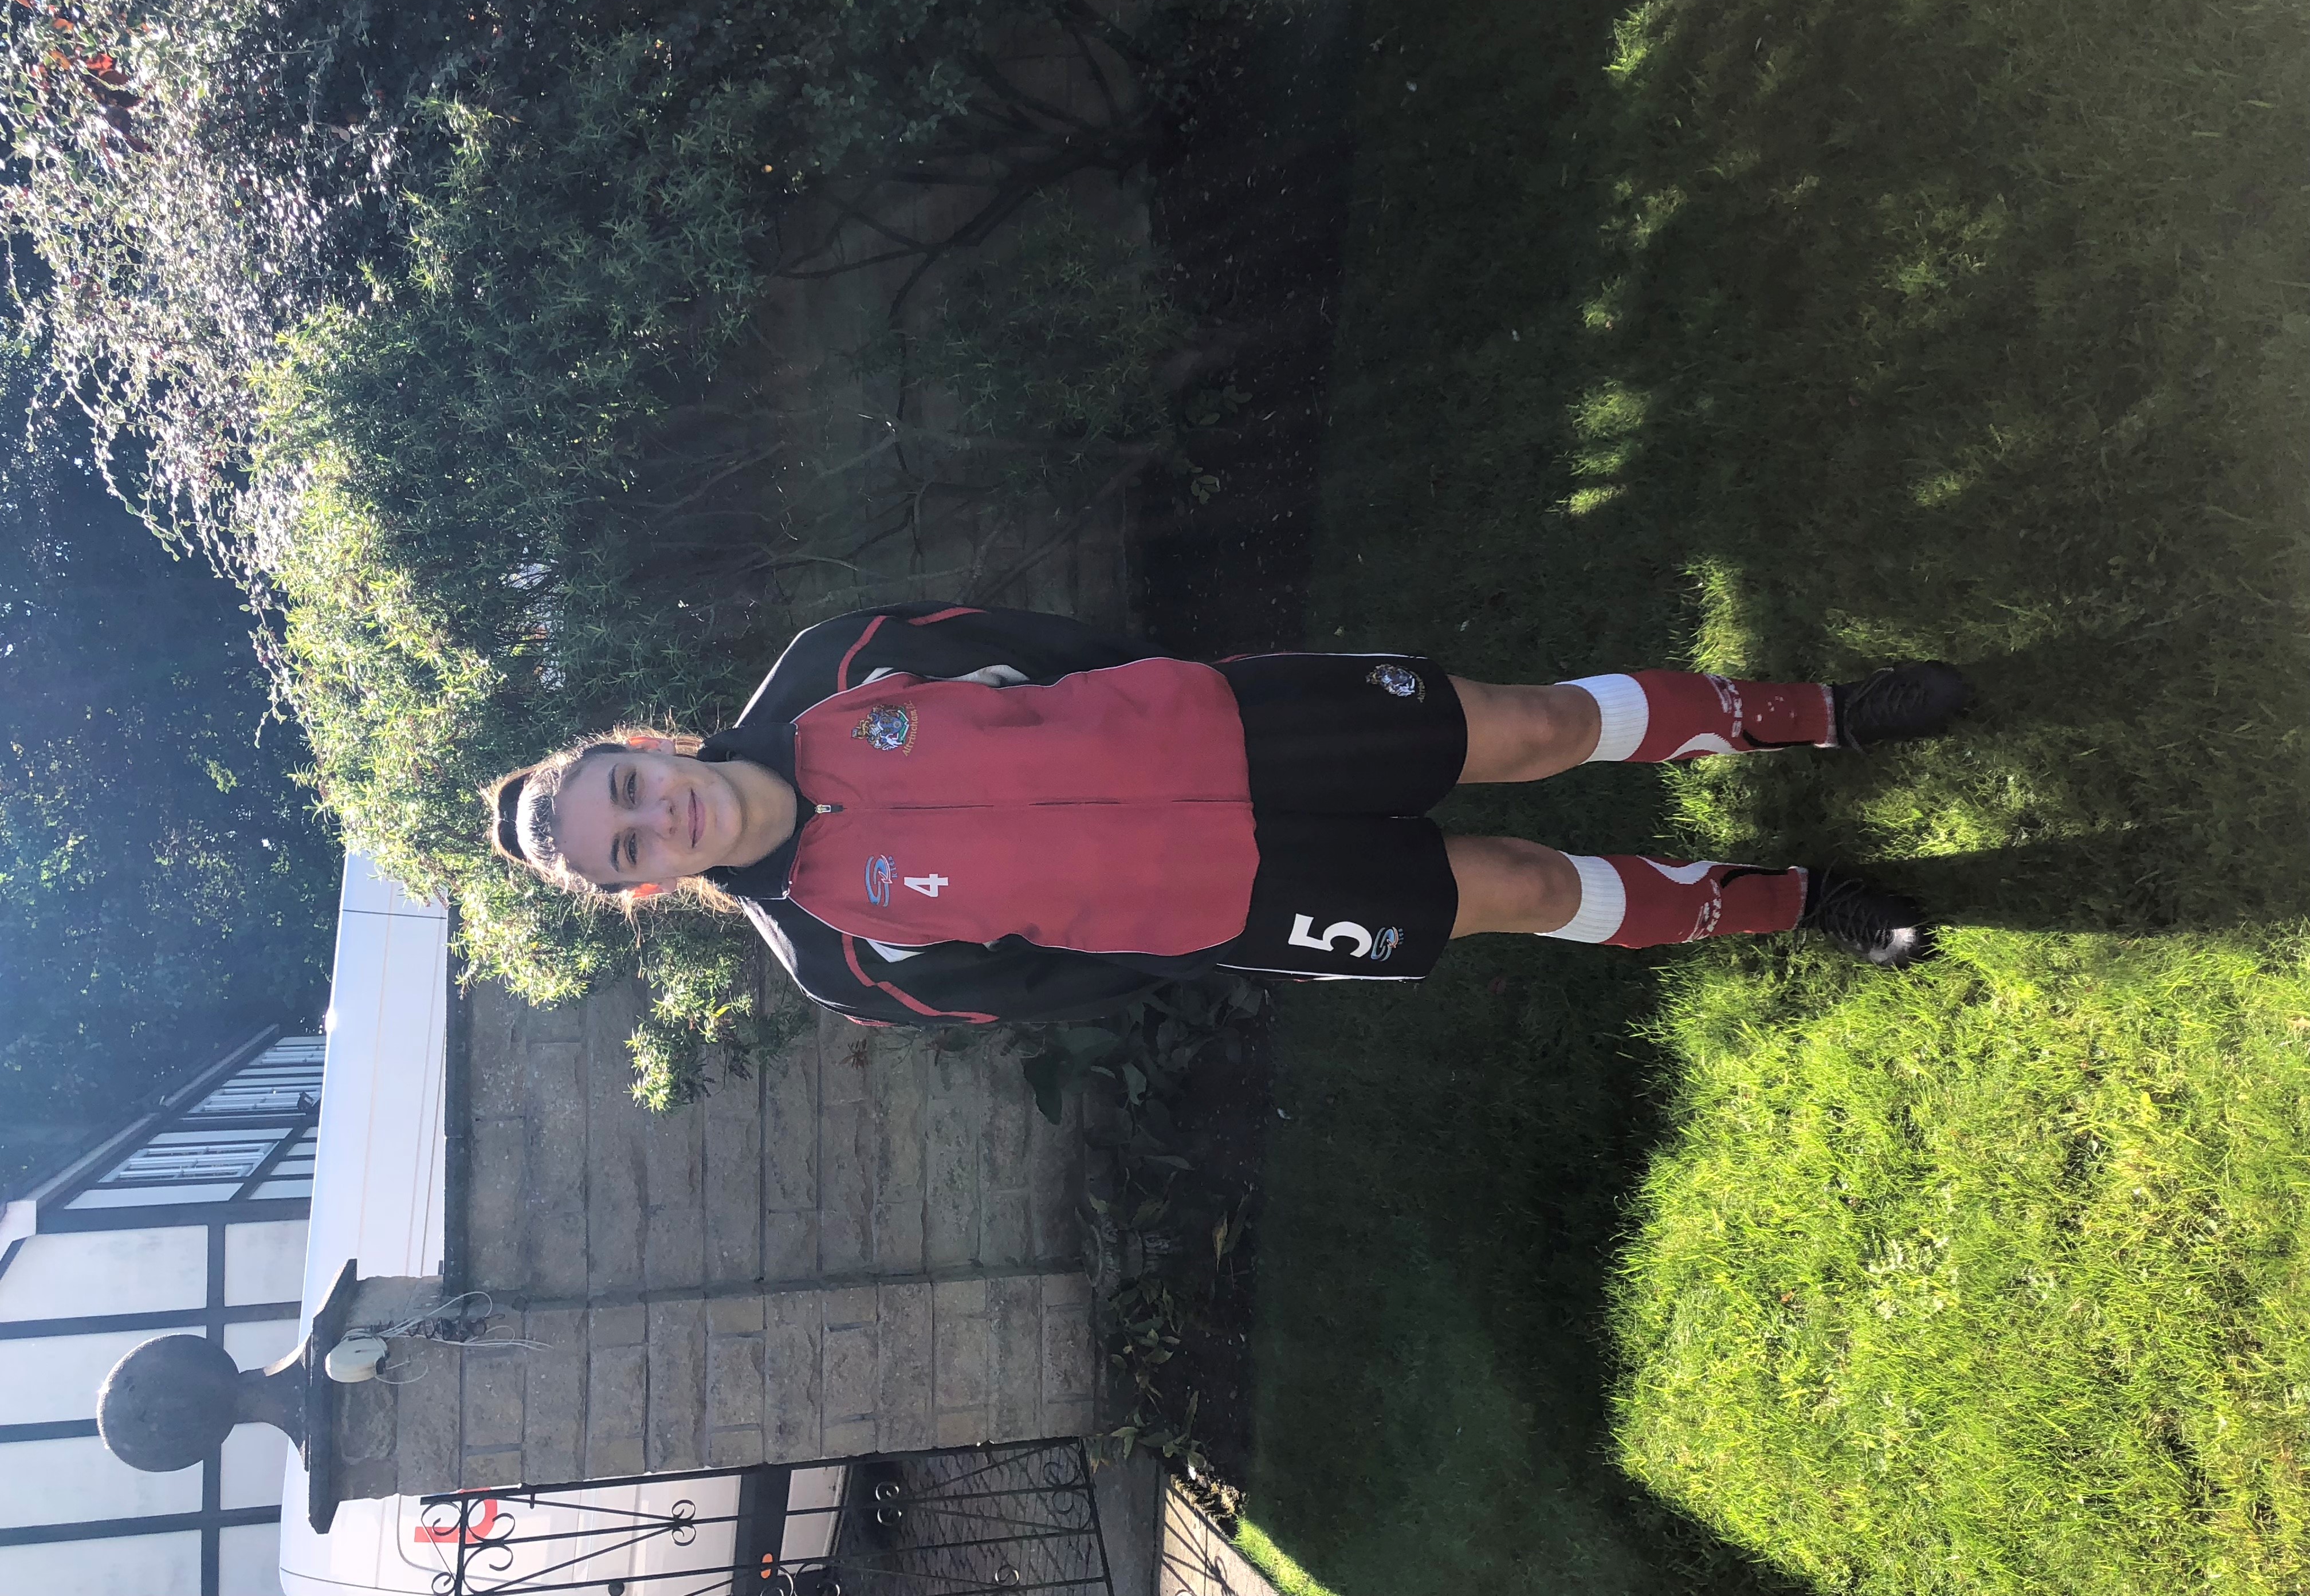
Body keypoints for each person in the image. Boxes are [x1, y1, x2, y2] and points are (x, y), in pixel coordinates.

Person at [484, 602, 1971, 1026]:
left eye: (628, 789)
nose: (658, 818)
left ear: (640, 746)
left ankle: (1824, 713)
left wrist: (1165, 685)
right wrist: (1189, 936)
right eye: (631, 849)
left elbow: (1040, 645)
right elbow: (1047, 985)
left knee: (1531, 726)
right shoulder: (837, 957)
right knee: (1518, 885)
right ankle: (1795, 899)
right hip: (1238, 899)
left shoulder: (838, 663)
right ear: (644, 889)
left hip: (1237, 723)